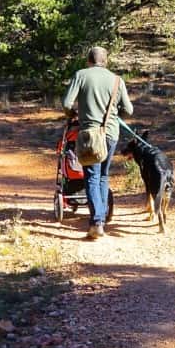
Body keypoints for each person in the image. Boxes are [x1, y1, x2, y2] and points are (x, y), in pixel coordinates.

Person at [62, 46, 133, 239]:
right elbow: (129, 110)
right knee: (102, 175)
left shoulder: (81, 75)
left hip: (89, 135)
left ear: (88, 60)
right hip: (111, 134)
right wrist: (113, 116)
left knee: (92, 176)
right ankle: (100, 217)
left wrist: (74, 115)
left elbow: (67, 103)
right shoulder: (117, 80)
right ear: (106, 61)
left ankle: (96, 223)